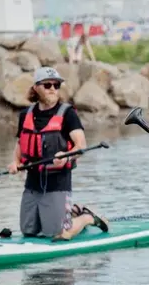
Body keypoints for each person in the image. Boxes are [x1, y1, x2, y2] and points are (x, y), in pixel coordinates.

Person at [8, 66, 108, 240]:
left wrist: (66, 156)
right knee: (28, 231)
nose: (53, 89)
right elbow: (20, 143)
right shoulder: (25, 115)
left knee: (60, 234)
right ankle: (74, 211)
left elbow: (81, 145)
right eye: (47, 85)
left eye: (56, 85)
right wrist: (15, 162)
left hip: (58, 182)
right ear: (36, 88)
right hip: (32, 183)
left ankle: (87, 217)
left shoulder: (68, 114)